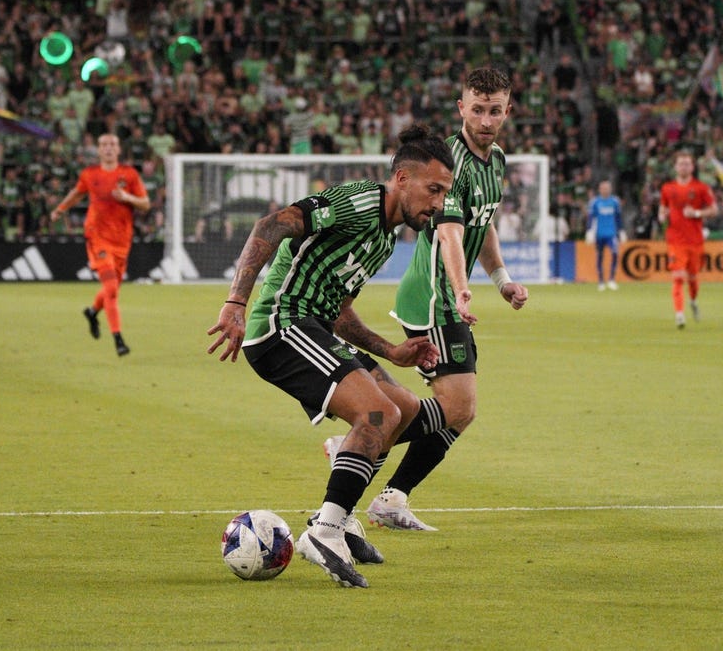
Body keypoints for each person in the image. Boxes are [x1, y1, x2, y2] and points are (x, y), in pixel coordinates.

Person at [206, 125, 456, 587]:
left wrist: (390, 351)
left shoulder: (384, 238)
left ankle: (338, 521)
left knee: (400, 411)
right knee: (378, 413)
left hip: (315, 324)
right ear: (402, 179)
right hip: (280, 323)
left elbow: (338, 311)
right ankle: (324, 531)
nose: (439, 203)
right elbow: (271, 224)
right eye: (434, 189)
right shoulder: (358, 202)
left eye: (445, 193)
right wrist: (236, 302)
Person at [363, 66, 529, 532]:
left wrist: (501, 279)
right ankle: (365, 439)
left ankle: (387, 483)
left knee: (459, 408)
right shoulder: (449, 165)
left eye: (495, 111)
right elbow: (452, 236)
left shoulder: (496, 160)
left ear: (507, 112)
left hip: (447, 300)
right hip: (433, 299)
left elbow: (484, 221)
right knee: (459, 407)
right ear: (461, 108)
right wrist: (461, 289)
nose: (486, 119)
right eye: (477, 109)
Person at [50, 133, 150, 356]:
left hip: (122, 241)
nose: (108, 148)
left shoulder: (129, 174)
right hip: (97, 238)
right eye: (104, 144)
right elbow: (77, 193)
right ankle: (118, 339)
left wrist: (127, 197)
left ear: (118, 149)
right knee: (112, 289)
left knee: (110, 290)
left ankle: (93, 312)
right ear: (98, 149)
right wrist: (60, 209)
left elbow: (145, 204)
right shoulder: (90, 174)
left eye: (112, 144)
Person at [658, 150, 718, 328]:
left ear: (692, 167)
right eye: (681, 163)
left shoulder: (701, 188)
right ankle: (679, 314)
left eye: (687, 163)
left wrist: (697, 212)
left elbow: (714, 210)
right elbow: (662, 210)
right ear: (675, 167)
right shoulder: (667, 188)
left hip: (695, 240)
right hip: (675, 240)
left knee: (693, 278)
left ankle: (692, 301)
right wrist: (662, 216)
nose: (683, 166)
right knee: (678, 277)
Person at [586, 179, 625, 290]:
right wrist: (589, 231)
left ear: (610, 189)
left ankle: (611, 279)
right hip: (599, 234)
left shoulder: (615, 201)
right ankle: (601, 281)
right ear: (600, 189)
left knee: (615, 253)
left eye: (608, 188)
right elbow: (590, 218)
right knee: (599, 256)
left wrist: (621, 231)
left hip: (611, 234)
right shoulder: (595, 202)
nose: (606, 190)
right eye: (604, 188)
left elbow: (618, 218)